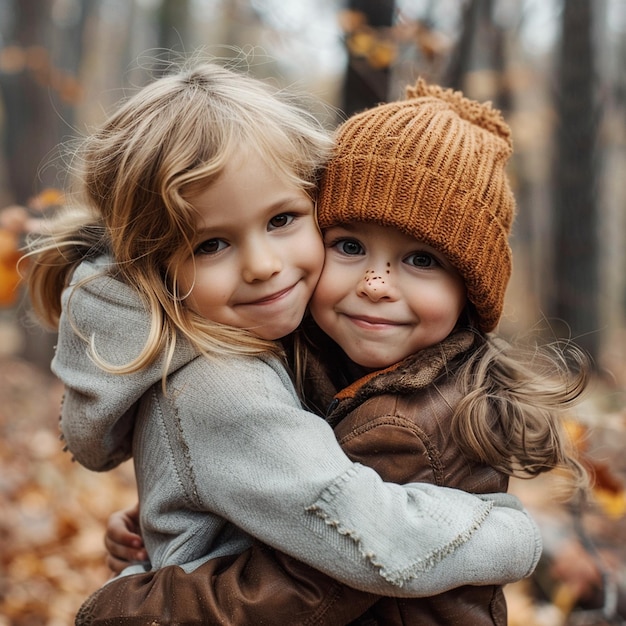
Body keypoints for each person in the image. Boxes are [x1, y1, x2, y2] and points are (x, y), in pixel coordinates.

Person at [26, 62, 543, 625]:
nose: (263, 266)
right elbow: (370, 540)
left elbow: (263, 484)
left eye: (282, 220)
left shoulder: (275, 342)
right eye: (212, 244)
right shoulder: (223, 383)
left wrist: (176, 505)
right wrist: (512, 536)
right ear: (159, 266)